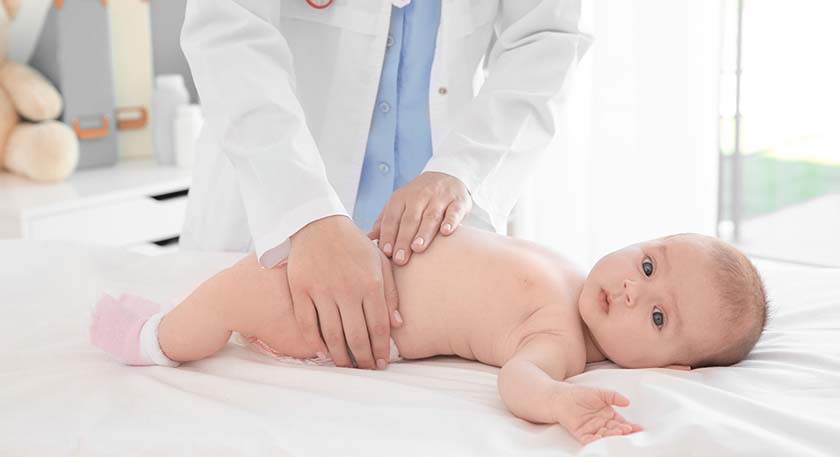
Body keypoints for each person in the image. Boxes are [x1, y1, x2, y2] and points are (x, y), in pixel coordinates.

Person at [177, 0, 592, 370]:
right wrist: (304, 213)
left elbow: (546, 36)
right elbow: (228, 28)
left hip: (431, 241)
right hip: (276, 201)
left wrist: (464, 168)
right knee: (232, 316)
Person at [90, 227, 769, 445]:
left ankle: (154, 338)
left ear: (668, 368)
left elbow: (520, 379)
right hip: (353, 266)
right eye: (648, 264)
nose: (631, 289)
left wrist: (561, 402)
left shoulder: (559, 338)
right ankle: (178, 319)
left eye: (657, 317)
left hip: (349, 316)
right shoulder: (570, 272)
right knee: (250, 277)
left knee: (246, 289)